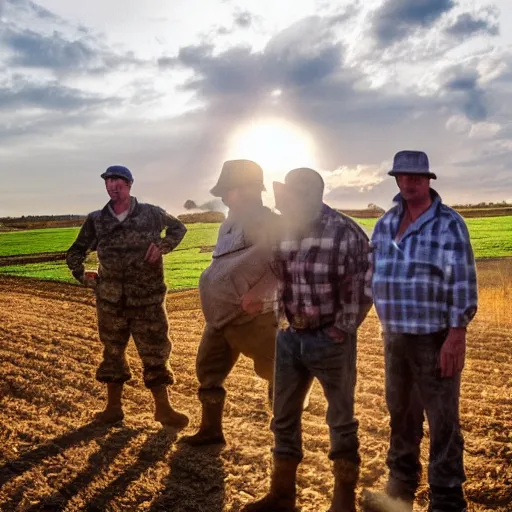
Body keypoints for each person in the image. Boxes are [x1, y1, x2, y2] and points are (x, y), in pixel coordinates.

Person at [244, 168, 373, 512]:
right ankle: (282, 496)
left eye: (290, 196)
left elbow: (362, 287)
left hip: (331, 340)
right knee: (283, 416)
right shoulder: (285, 228)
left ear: (310, 196)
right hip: (290, 339)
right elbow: (281, 275)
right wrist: (278, 313)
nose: (284, 202)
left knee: (340, 420)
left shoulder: (345, 232)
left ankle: (343, 501)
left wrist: (341, 329)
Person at [370, 150, 478, 512]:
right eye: (404, 176)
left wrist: (456, 334)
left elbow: (462, 281)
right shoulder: (385, 223)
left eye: (417, 177)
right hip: (394, 337)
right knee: (401, 415)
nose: (410, 182)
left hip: (435, 338)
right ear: (396, 179)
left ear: (429, 180)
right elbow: (371, 274)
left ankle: (447, 499)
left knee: (443, 421)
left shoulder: (449, 223)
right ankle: (400, 489)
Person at [66, 165, 189, 428]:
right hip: (111, 300)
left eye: (118, 181)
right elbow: (75, 251)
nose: (113, 185)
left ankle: (163, 410)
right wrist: (82, 275)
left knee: (155, 352)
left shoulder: (151, 214)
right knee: (112, 352)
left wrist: (163, 246)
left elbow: (179, 228)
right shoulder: (97, 219)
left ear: (130, 183)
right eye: (108, 181)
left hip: (148, 299)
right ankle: (113, 409)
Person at [181, 159, 284, 446]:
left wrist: (261, 294)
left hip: (253, 317)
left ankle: (284, 436)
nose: (225, 197)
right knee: (209, 371)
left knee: (278, 369)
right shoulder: (230, 222)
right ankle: (211, 431)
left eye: (230, 190)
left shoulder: (269, 222)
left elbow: (285, 264)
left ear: (251, 190)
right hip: (220, 316)